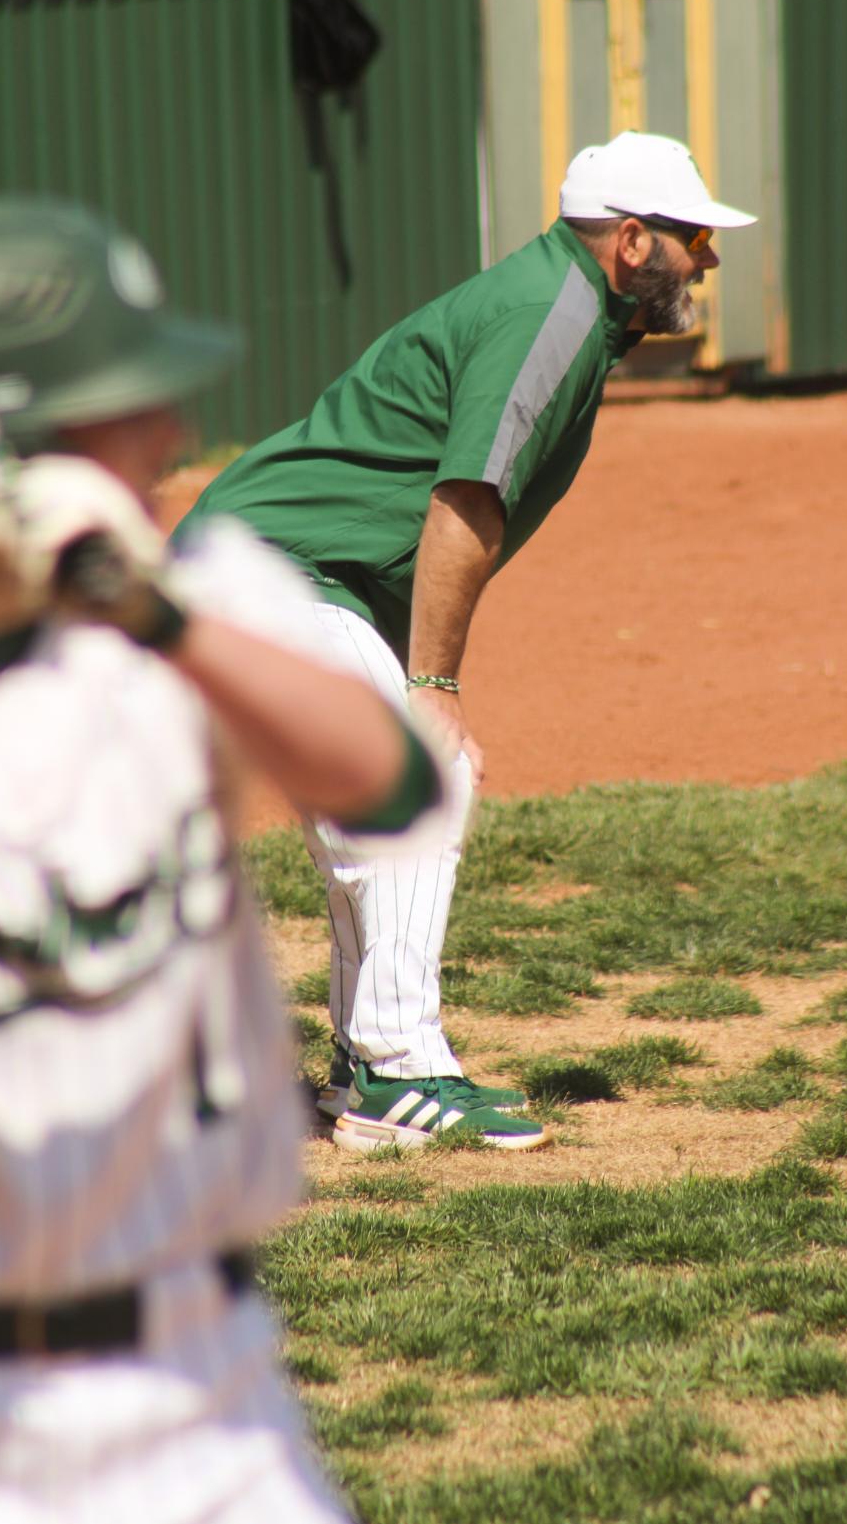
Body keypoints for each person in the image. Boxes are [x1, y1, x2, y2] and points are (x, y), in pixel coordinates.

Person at [0, 197, 452, 1524]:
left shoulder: (195, 602)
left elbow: (391, 779)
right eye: (131, 403)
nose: (172, 434)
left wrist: (153, 608)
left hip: (198, 1389)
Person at [180, 132, 758, 1155]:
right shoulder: (548, 313)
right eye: (693, 238)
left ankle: (372, 1063)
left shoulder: (567, 308)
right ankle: (398, 1074)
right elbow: (461, 503)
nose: (706, 260)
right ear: (631, 241)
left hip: (289, 572)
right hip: (266, 570)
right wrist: (432, 681)